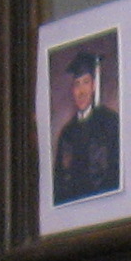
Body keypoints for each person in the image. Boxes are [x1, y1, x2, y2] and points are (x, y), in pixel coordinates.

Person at [51, 47, 121, 205]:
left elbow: (116, 171)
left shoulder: (110, 122)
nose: (81, 91)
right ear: (72, 90)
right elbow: (59, 182)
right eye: (77, 84)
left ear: (94, 86)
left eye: (86, 83)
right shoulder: (67, 133)